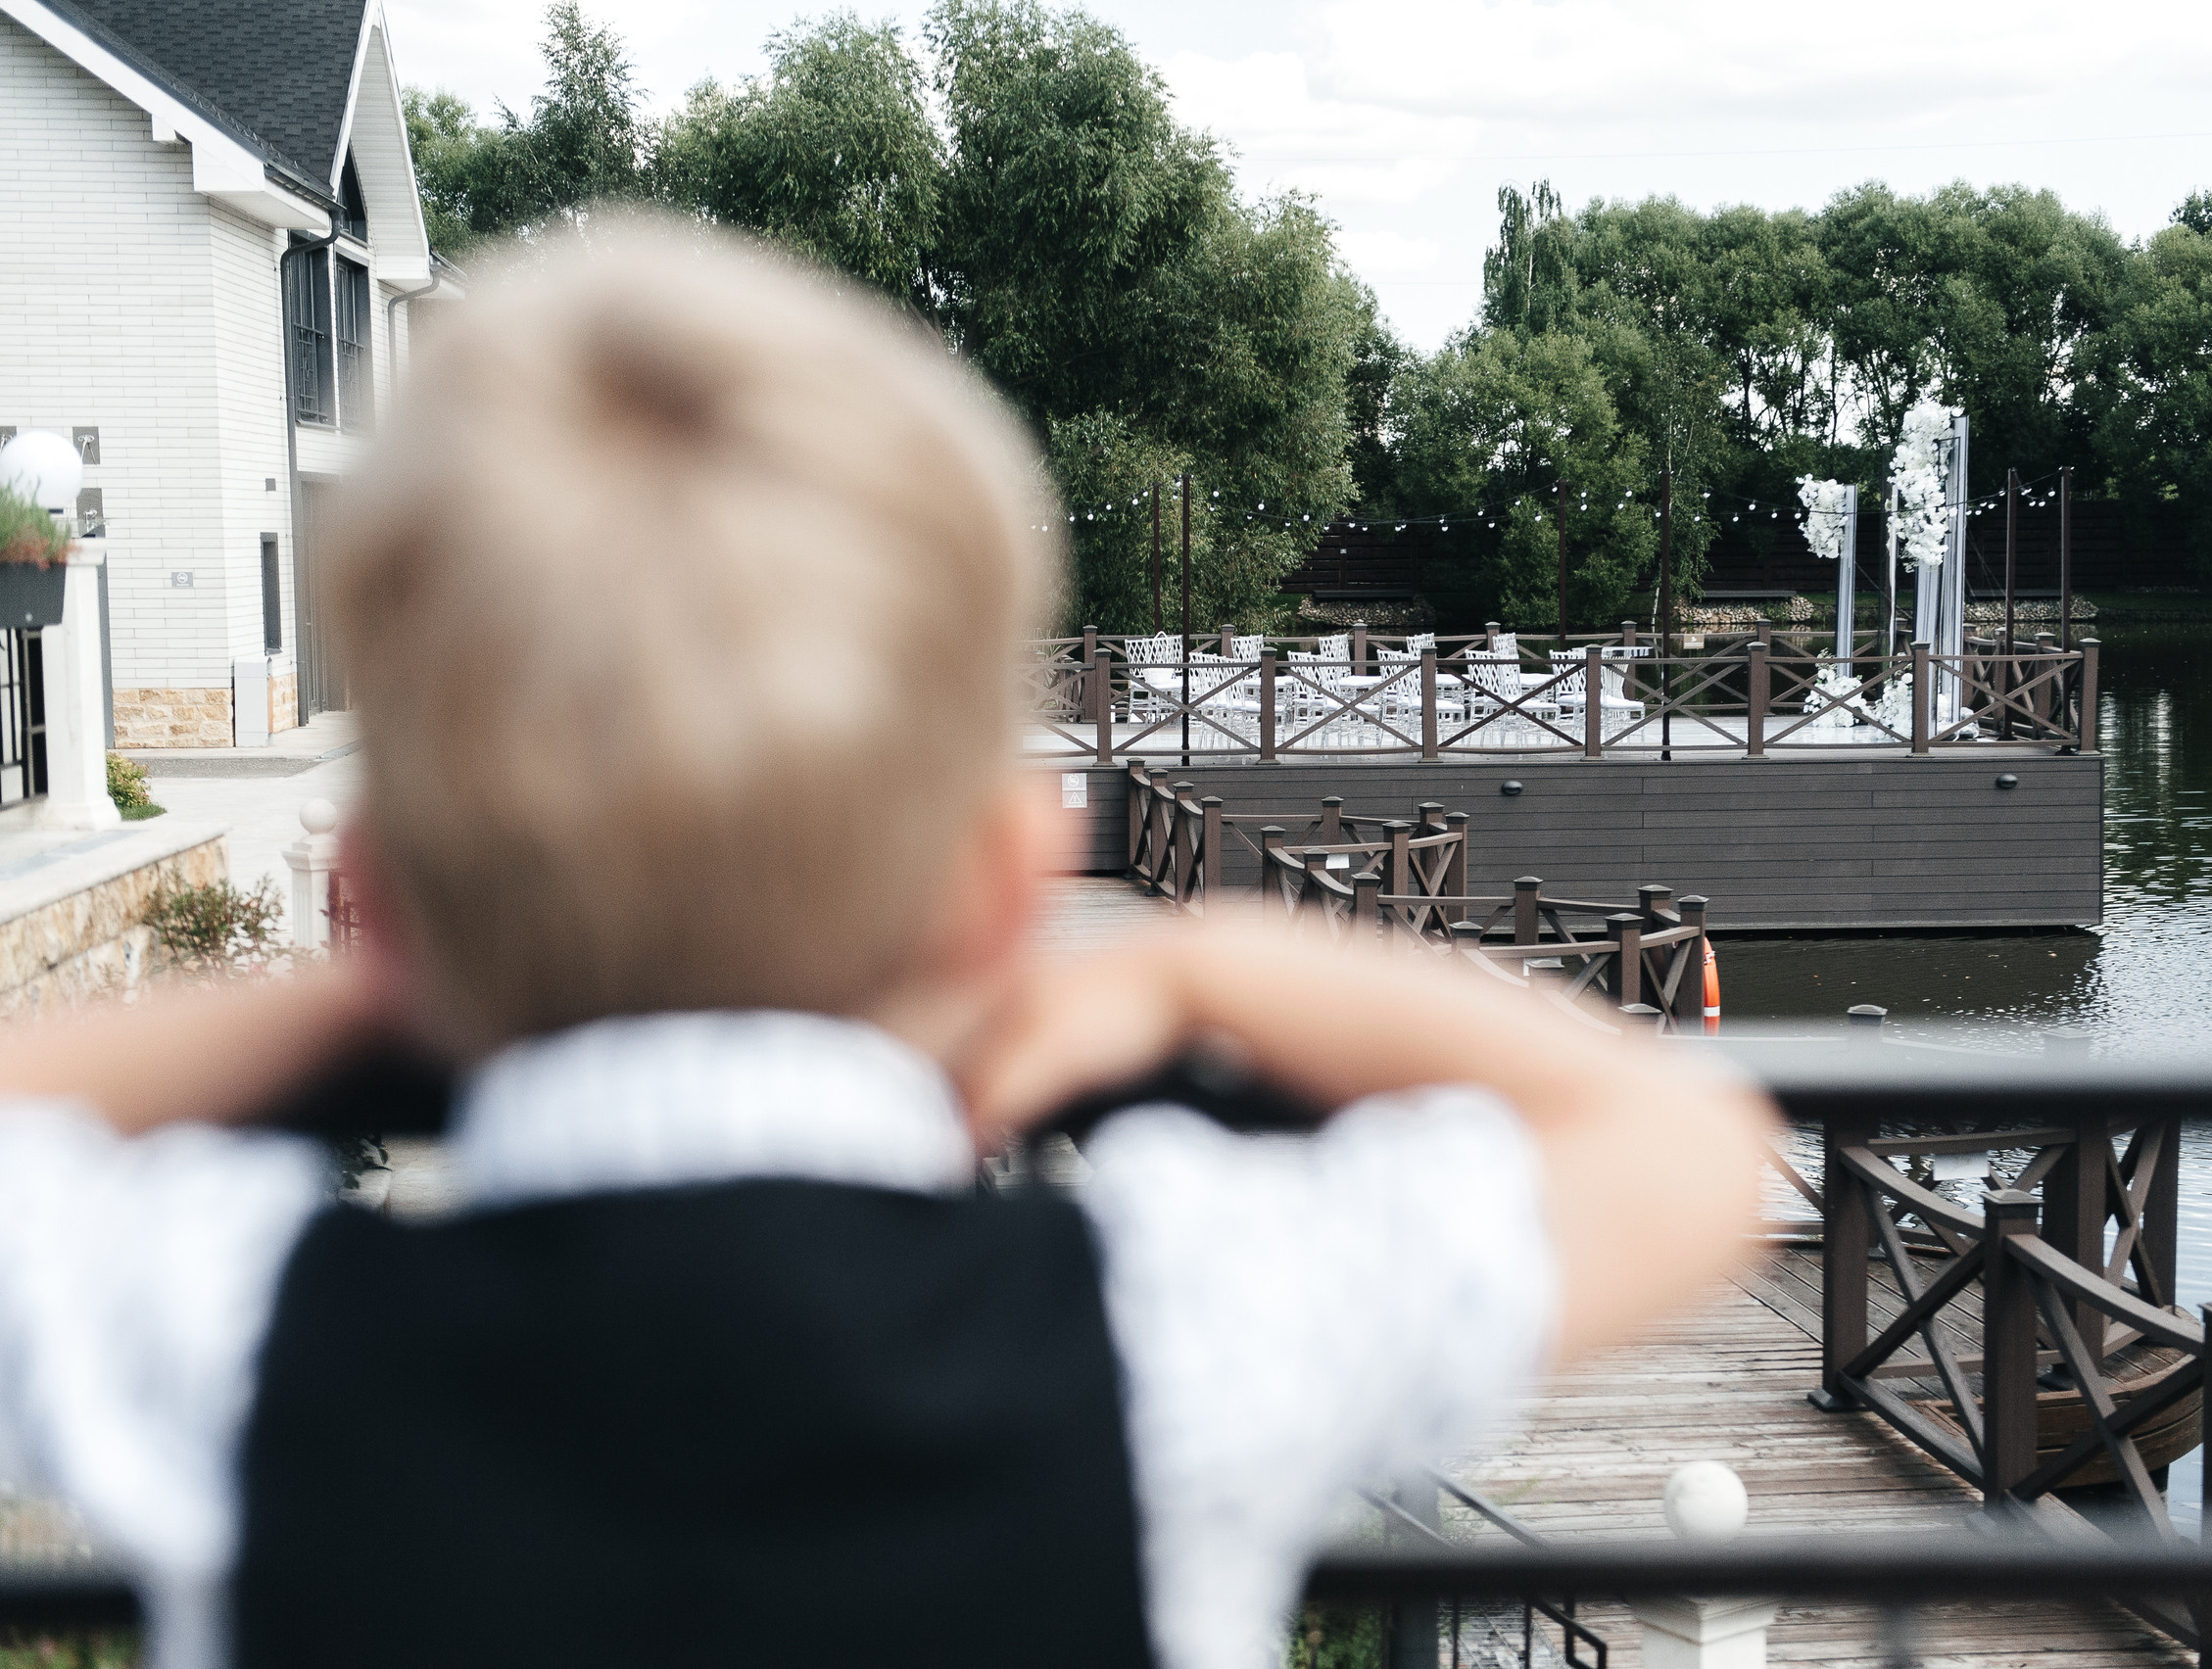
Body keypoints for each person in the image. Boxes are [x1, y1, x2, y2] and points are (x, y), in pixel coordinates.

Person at [0, 219, 1775, 1669]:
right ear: (1013, 883)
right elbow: (1689, 1145)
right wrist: (1195, 967)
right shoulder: (1178, 1334)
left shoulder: (227, 1343)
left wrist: (366, 1000)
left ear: (374, 899)